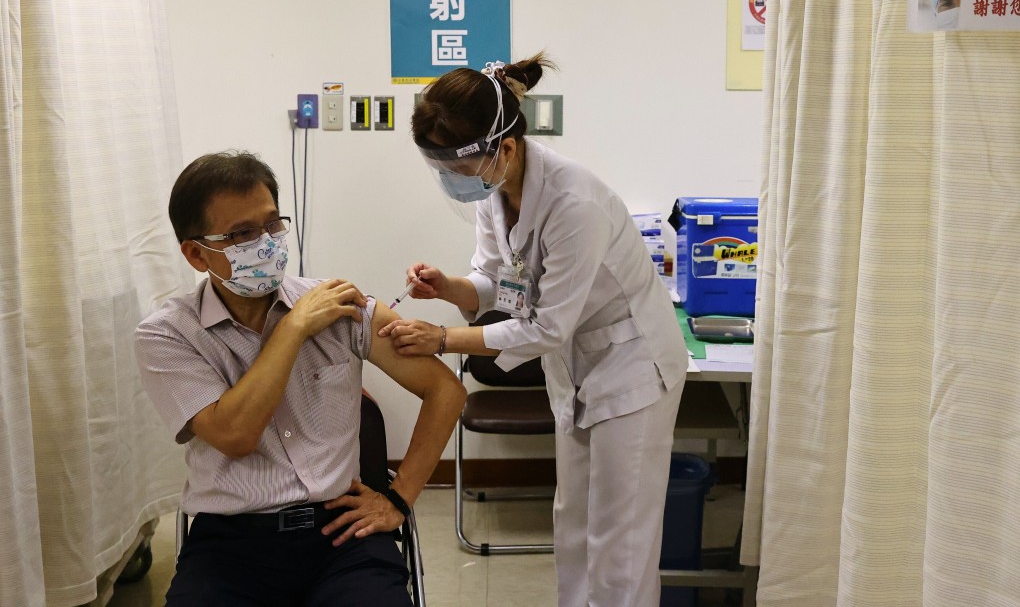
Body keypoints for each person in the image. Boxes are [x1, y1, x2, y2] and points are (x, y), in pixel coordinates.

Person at [377, 55, 689, 607]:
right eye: (445, 168)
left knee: (621, 537)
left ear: (506, 147)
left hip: (632, 365)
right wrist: (449, 287)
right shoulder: (494, 188)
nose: (456, 179)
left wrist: (443, 340)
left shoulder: (575, 202)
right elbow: (499, 282)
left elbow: (544, 325)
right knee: (572, 524)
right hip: (575, 364)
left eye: (462, 166)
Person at [134, 151, 466, 606]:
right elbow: (235, 434)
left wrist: (399, 497)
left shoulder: (341, 305)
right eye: (243, 233)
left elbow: (445, 391)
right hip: (229, 546)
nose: (267, 242)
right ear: (196, 253)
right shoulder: (167, 334)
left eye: (273, 224)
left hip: (341, 536)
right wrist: (292, 328)